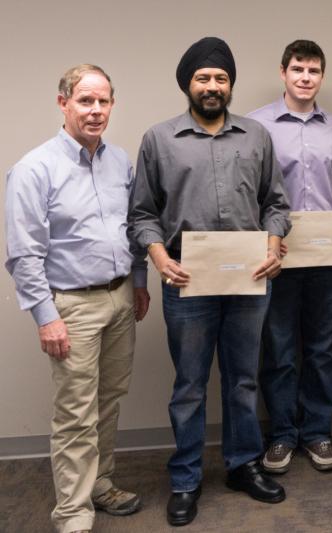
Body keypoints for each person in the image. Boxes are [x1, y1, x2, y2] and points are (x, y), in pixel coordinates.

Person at [129, 37, 291, 526]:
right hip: (186, 276)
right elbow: (141, 214)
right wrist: (159, 258)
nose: (213, 86)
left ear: (230, 85)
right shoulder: (159, 139)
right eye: (204, 78)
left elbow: (276, 204)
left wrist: (274, 244)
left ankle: (243, 465)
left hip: (248, 276)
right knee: (190, 386)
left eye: (221, 78)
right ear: (188, 85)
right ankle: (185, 479)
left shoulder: (256, 136)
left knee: (243, 379)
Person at [5, 64, 149, 533]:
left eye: (103, 101)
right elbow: (23, 255)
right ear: (63, 102)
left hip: (120, 297)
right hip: (71, 306)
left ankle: (100, 485)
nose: (95, 110)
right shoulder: (34, 169)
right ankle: (72, 511)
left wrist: (140, 281)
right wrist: (46, 318)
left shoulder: (119, 161)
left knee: (108, 400)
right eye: (85, 101)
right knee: (75, 413)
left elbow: (133, 228)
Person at [247, 40, 332, 474]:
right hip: (279, 255)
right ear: (283, 73)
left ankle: (317, 433)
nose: (305, 77)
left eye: (313, 70)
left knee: (320, 350)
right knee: (278, 349)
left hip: (328, 258)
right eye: (298, 69)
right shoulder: (257, 125)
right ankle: (281, 437)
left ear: (321, 77)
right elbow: (252, 190)